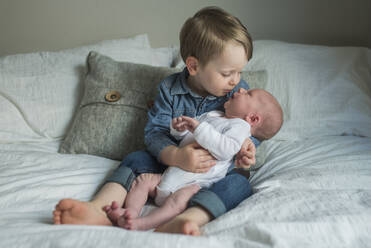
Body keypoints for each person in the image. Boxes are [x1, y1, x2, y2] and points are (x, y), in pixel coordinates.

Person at [53, 6, 258, 234]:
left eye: (239, 72)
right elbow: (155, 132)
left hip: (214, 171)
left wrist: (246, 148)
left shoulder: (238, 92)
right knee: (136, 159)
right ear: (193, 66)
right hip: (170, 165)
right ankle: (99, 209)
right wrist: (177, 156)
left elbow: (250, 127)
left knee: (240, 182)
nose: (235, 81)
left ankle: (189, 219)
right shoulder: (170, 89)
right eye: (227, 73)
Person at [103, 88, 283, 231]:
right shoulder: (214, 115)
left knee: (178, 202)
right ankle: (130, 213)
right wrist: (179, 128)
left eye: (248, 94)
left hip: (195, 183)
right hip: (171, 175)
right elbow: (187, 136)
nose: (241, 90)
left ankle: (144, 223)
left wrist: (198, 128)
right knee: (143, 181)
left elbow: (226, 149)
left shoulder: (240, 127)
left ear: (252, 118)